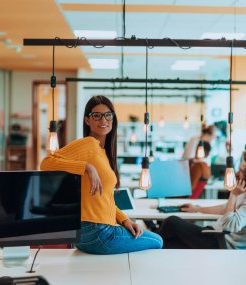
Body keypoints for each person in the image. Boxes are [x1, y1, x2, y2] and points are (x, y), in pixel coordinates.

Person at [40, 95, 162, 254]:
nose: (103, 120)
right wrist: (86, 167)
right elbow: (46, 163)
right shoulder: (88, 144)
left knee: (148, 240)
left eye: (108, 115)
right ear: (87, 120)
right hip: (97, 231)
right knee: (157, 241)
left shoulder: (104, 152)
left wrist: (124, 220)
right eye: (96, 115)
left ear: (113, 118)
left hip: (92, 232)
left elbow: (106, 200)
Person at [158, 149, 246, 249]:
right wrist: (197, 209)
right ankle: (154, 247)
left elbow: (230, 225)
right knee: (169, 242)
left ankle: (152, 245)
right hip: (216, 233)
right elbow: (226, 208)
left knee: (171, 222)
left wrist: (233, 194)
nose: (238, 173)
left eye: (242, 170)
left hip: (221, 241)